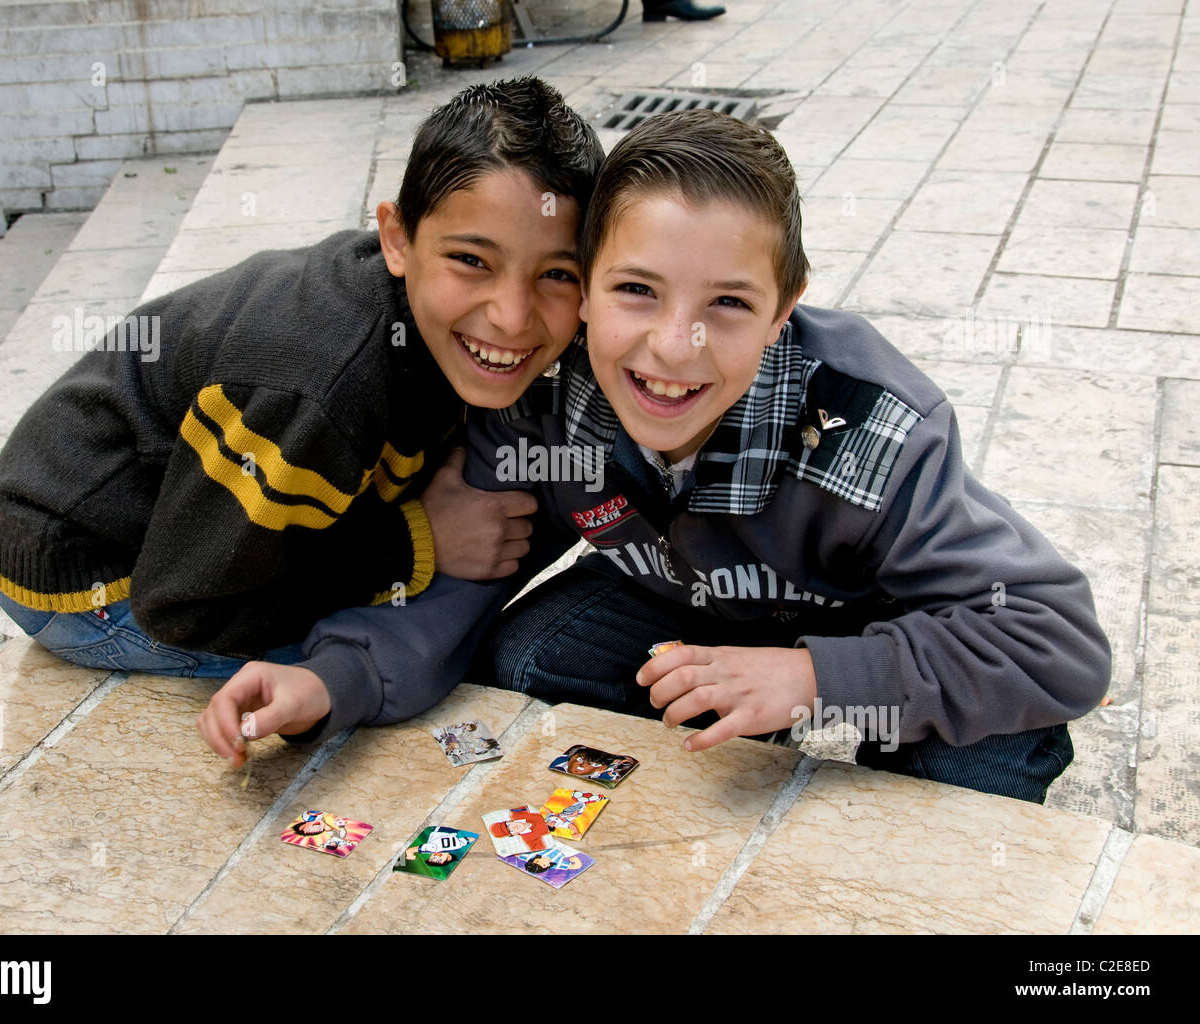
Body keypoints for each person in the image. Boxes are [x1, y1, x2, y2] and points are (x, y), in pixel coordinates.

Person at [213, 109, 1110, 806]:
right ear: (585, 281)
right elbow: (458, 589)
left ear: (785, 305)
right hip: (683, 609)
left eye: (726, 303)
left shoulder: (869, 431)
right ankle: (740, 728)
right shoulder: (545, 405)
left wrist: (814, 679)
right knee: (523, 661)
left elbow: (1057, 640)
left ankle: (828, 723)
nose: (673, 349)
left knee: (980, 761)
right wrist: (331, 677)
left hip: (885, 630)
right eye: (636, 291)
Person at [0, 77, 603, 743]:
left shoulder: (432, 335)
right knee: (354, 683)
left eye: (557, 274)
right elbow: (186, 604)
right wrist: (415, 543)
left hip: (208, 524)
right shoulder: (320, 388)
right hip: (90, 570)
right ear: (396, 240)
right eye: (471, 260)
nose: (511, 316)